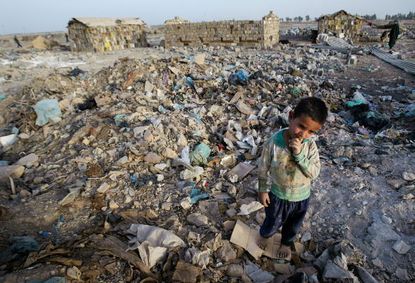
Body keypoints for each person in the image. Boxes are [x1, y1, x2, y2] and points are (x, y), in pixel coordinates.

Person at [257, 97, 328, 259]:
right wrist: (262, 189)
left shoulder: (310, 146)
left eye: (311, 132)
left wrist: (300, 155)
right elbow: (263, 167)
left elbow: (314, 173)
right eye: (301, 126)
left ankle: (285, 243)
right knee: (272, 220)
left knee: (293, 226)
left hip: (301, 198)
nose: (304, 134)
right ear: (291, 116)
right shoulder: (274, 142)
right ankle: (265, 236)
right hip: (277, 195)